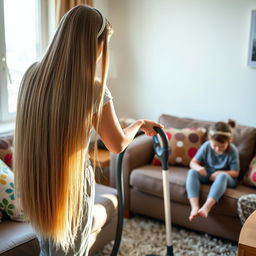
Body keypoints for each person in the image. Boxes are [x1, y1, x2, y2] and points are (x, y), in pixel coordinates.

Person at [14, 5, 163, 256]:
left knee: (47, 249)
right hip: (70, 184)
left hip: (37, 179)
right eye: (104, 45)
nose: (102, 53)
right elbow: (116, 144)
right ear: (93, 45)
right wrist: (137, 124)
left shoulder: (31, 76)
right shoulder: (93, 90)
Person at [186, 120, 240, 222]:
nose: (217, 149)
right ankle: (195, 207)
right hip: (209, 174)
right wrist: (199, 168)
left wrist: (221, 172)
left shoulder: (233, 151)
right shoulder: (206, 146)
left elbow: (235, 173)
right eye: (214, 145)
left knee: (222, 176)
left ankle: (206, 207)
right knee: (192, 172)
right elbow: (193, 163)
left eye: (221, 146)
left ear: (229, 141)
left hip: (226, 178)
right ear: (209, 140)